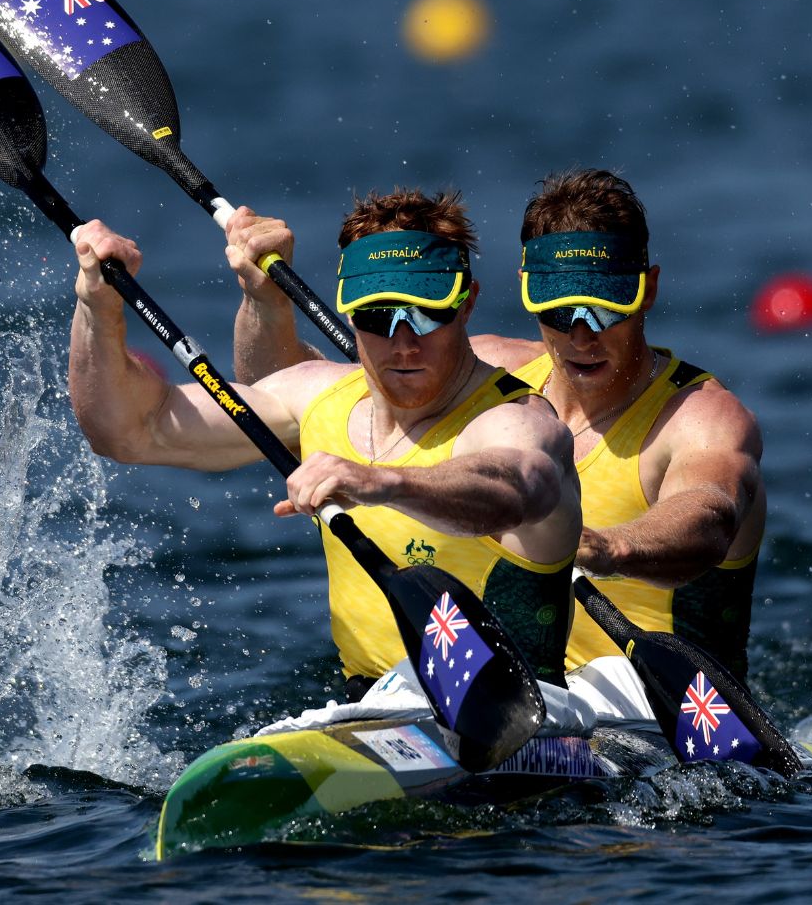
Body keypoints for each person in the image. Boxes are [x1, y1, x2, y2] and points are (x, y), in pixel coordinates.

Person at [226, 169, 765, 680]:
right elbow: (288, 400)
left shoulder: (702, 417)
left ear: (647, 289)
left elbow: (707, 520)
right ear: (526, 289)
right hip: (514, 693)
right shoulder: (486, 374)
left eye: (605, 310)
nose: (581, 337)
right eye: (559, 310)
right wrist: (264, 300)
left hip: (660, 708)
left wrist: (606, 548)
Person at [69, 188, 582, 701]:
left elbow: (520, 485)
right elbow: (130, 430)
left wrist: (382, 482)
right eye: (378, 317)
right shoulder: (315, 394)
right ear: (348, 309)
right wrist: (97, 305)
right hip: (371, 705)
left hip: (521, 714)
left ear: (466, 303)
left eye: (427, 313)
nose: (404, 343)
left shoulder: (513, 417)